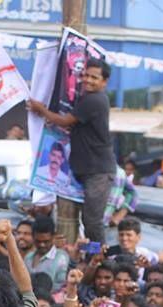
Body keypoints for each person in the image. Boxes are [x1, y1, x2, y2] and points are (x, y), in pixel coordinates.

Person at [28, 58, 116, 243]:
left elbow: (66, 120)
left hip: (98, 171)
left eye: (94, 77)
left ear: (104, 82)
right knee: (85, 218)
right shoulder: (87, 98)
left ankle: (99, 257)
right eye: (85, 75)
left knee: (92, 220)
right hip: (85, 170)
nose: (88, 80)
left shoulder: (95, 100)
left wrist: (41, 109)